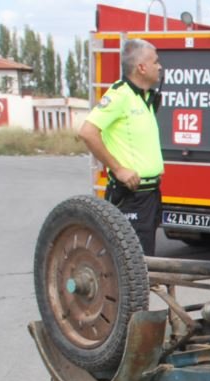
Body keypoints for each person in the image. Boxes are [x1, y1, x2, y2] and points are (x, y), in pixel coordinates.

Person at [78, 39, 164, 256]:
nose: (160, 67)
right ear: (141, 67)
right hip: (130, 197)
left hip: (150, 195)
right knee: (130, 267)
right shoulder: (119, 95)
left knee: (145, 265)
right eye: (156, 62)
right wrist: (118, 169)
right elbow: (87, 132)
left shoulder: (144, 97)